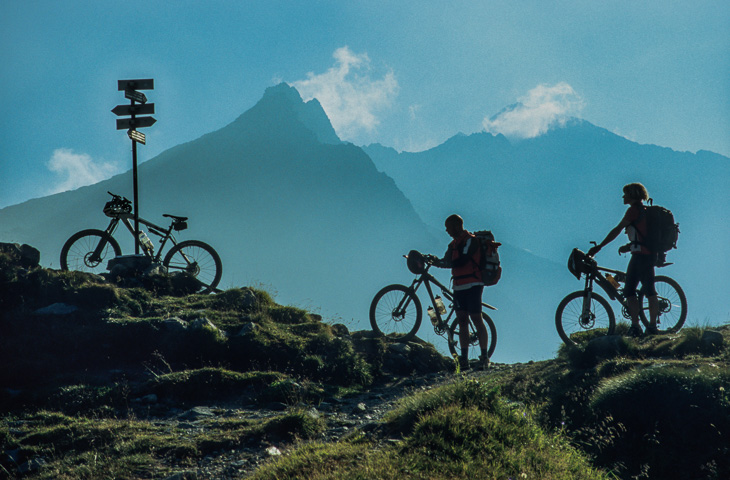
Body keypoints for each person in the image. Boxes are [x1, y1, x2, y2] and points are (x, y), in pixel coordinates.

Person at [587, 183, 659, 337]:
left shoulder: (633, 211)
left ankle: (641, 326)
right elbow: (641, 235)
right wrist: (629, 246)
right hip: (646, 254)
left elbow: (617, 230)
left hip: (641, 256)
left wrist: (599, 246)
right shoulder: (643, 211)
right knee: (640, 290)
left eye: (625, 194)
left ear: (632, 195)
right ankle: (646, 326)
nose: (623, 197)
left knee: (637, 291)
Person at [430, 214, 490, 370]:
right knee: (462, 321)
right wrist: (433, 260)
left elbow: (462, 260)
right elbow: (446, 261)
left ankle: (484, 357)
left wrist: (446, 262)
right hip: (458, 286)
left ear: (457, 225)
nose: (446, 230)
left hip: (473, 284)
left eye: (448, 227)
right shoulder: (453, 244)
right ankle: (464, 359)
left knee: (476, 319)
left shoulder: (471, 241)